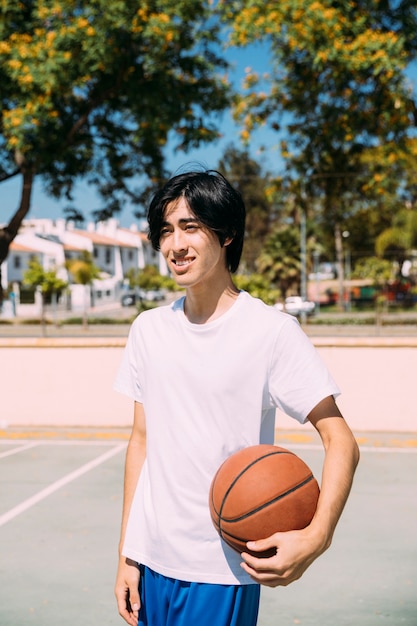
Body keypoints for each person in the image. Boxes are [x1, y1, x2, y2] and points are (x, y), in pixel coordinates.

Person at [113, 169, 360, 626]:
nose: (175, 244)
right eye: (166, 231)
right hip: (151, 565)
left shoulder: (271, 332)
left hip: (221, 570)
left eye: (190, 227)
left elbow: (341, 439)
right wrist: (128, 553)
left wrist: (317, 536)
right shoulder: (147, 329)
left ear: (226, 234)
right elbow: (141, 442)